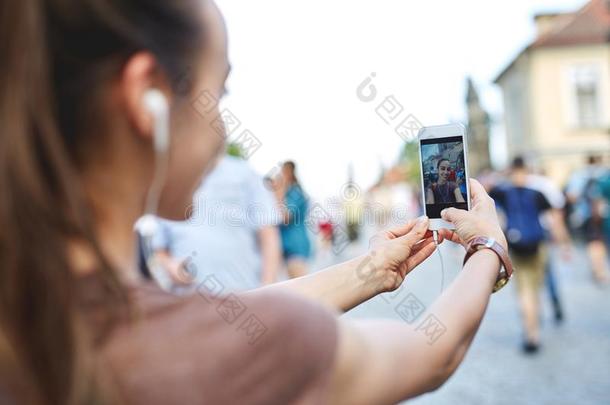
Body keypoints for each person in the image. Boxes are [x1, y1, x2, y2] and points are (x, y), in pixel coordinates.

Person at [0, 1, 511, 404]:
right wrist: (486, 248)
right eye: (216, 94)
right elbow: (433, 353)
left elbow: (232, 317)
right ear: (147, 96)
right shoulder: (186, 351)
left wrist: (372, 271)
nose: (222, 129)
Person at [140, 153, 282, 292]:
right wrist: (171, 266)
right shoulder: (169, 179)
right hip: (188, 303)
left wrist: (266, 290)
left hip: (242, 295)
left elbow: (269, 236)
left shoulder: (245, 174)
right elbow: (159, 250)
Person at [490, 157, 554, 353]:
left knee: (524, 292)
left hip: (516, 247)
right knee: (534, 290)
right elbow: (552, 218)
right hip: (537, 246)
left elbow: (488, 192)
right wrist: (564, 243)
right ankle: (535, 330)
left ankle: (529, 333)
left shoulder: (503, 193)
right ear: (526, 172)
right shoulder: (537, 194)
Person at [566, 155, 609, 284]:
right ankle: (599, 270)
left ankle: (598, 270)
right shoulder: (605, 174)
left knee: (594, 244)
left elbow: (571, 196)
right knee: (600, 244)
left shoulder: (579, 175)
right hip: (605, 216)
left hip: (586, 216)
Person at [275, 161, 312, 278]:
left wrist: (279, 194)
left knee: (301, 289)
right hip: (287, 249)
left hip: (295, 248)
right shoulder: (290, 193)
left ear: (287, 173)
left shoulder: (294, 193)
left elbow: (286, 217)